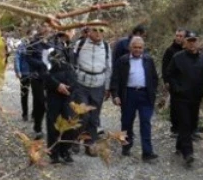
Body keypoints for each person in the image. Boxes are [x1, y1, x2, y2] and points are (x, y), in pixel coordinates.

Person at [110, 36, 159, 161]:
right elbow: (115, 79)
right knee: (126, 122)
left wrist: (153, 91)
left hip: (145, 94)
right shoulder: (123, 61)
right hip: (128, 94)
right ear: (130, 47)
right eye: (135, 47)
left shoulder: (148, 60)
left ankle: (147, 152)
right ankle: (126, 146)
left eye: (140, 47)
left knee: (145, 122)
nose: (137, 50)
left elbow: (154, 78)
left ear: (143, 48)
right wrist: (115, 95)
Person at [167, 32, 203, 167]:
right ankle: (188, 153)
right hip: (181, 98)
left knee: (192, 124)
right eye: (189, 41)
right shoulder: (177, 57)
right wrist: (177, 89)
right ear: (185, 43)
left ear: (198, 42)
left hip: (196, 98)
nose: (192, 44)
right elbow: (170, 75)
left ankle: (180, 145)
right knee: (185, 123)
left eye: (194, 41)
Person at [72, 25, 111, 155]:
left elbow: (109, 67)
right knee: (83, 114)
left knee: (94, 117)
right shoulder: (80, 43)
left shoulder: (106, 46)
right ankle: (76, 140)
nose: (98, 33)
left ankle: (90, 144)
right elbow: (72, 63)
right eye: (95, 30)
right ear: (89, 31)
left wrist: (107, 87)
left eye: (101, 30)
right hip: (81, 84)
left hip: (98, 85)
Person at [44, 41, 78, 164]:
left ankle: (65, 151)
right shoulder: (47, 54)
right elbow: (44, 76)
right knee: (53, 125)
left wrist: (69, 88)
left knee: (69, 124)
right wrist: (57, 85)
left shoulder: (69, 58)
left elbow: (74, 76)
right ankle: (53, 153)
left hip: (68, 97)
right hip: (53, 96)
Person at [24, 25, 52, 139]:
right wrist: (42, 63)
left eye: (48, 28)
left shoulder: (52, 42)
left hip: (50, 77)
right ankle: (37, 128)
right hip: (37, 77)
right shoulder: (33, 43)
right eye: (44, 27)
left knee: (49, 103)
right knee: (40, 102)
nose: (46, 29)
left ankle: (49, 129)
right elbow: (28, 58)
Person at [161, 28, 187, 134]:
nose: (179, 38)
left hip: (186, 82)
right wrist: (166, 81)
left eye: (181, 36)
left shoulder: (187, 50)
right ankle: (175, 128)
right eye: (177, 35)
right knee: (175, 105)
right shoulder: (170, 50)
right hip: (174, 82)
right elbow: (164, 66)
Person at [14, 34, 32, 121]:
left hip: (35, 73)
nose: (31, 37)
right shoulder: (21, 46)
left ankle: (35, 114)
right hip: (24, 73)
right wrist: (18, 70)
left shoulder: (36, 45)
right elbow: (17, 58)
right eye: (30, 35)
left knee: (37, 96)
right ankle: (25, 113)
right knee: (24, 94)